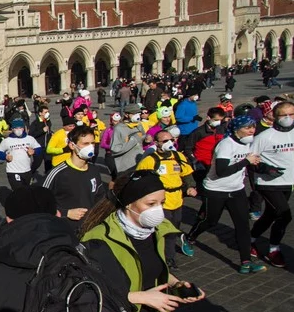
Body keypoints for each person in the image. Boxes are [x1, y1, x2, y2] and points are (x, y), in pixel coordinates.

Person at [80, 171, 206, 312]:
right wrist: (141, 297)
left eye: (162, 202)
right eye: (151, 204)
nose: (159, 210)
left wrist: (177, 283)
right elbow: (88, 291)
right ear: (129, 203)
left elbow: (154, 269)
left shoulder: (156, 230)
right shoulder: (98, 239)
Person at [186, 115, 266, 274]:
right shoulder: (225, 145)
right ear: (237, 129)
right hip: (216, 189)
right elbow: (222, 171)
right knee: (210, 221)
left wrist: (267, 169)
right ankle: (189, 238)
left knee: (243, 225)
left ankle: (246, 262)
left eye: (253, 127)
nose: (252, 130)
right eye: (247, 127)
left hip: (236, 190)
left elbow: (250, 164)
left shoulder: (249, 144)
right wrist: (246, 161)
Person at [249, 101, 294, 268]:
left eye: (291, 114)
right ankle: (273, 250)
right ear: (275, 117)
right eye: (283, 115)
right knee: (285, 215)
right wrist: (265, 168)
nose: (288, 118)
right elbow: (249, 159)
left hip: (289, 181)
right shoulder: (264, 136)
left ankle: (251, 239)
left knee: (270, 215)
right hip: (268, 183)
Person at [135, 129, 197, 268]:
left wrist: (191, 186)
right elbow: (138, 178)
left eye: (172, 140)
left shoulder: (178, 156)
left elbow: (186, 173)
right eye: (165, 141)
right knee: (164, 231)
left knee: (174, 229)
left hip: (177, 199)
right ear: (156, 143)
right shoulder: (150, 161)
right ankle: (166, 259)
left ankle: (168, 256)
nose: (170, 143)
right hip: (160, 202)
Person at [42, 125, 104, 229]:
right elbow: (40, 203)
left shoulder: (94, 170)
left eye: (92, 143)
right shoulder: (57, 173)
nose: (91, 147)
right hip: (65, 231)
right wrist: (66, 213)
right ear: (72, 145)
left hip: (89, 229)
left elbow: (100, 197)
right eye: (85, 144)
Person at [0, 118, 42, 190]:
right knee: (18, 191)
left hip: (27, 170)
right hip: (13, 171)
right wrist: (5, 156)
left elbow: (39, 149)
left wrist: (34, 151)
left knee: (27, 191)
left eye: (20, 128)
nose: (18, 130)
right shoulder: (7, 141)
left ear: (23, 128)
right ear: (12, 129)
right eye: (16, 128)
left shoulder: (29, 139)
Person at [112, 104, 148, 174]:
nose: (137, 116)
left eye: (138, 113)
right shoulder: (119, 128)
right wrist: (133, 140)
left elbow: (142, 138)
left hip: (139, 163)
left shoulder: (138, 125)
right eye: (134, 113)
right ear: (126, 115)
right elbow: (115, 149)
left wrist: (146, 139)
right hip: (125, 166)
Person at [29, 105, 53, 174]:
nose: (47, 113)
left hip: (47, 146)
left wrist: (51, 133)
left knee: (48, 163)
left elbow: (49, 131)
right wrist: (42, 130)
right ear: (40, 113)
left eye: (48, 112)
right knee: (37, 163)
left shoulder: (48, 121)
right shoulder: (35, 123)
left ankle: (47, 177)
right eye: (45, 112)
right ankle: (30, 174)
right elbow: (31, 134)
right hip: (38, 146)